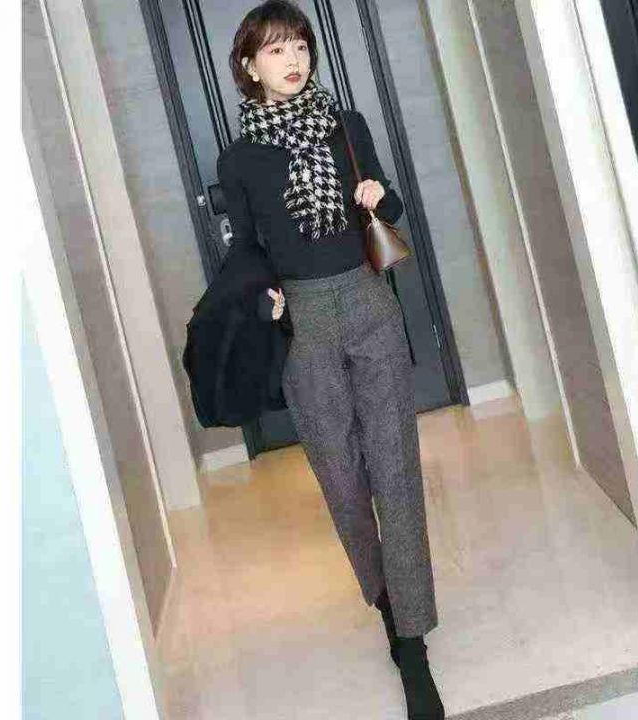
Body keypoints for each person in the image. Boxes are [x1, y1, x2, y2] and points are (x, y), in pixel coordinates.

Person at [219, 2, 444, 717]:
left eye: (300, 46)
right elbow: (246, 246)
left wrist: (380, 194)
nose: (293, 60)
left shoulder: (347, 125)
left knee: (395, 469)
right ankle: (386, 595)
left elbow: (390, 205)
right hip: (303, 322)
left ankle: (411, 640)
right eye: (275, 50)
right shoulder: (239, 160)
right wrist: (260, 293)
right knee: (342, 478)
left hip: (369, 303)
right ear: (250, 66)